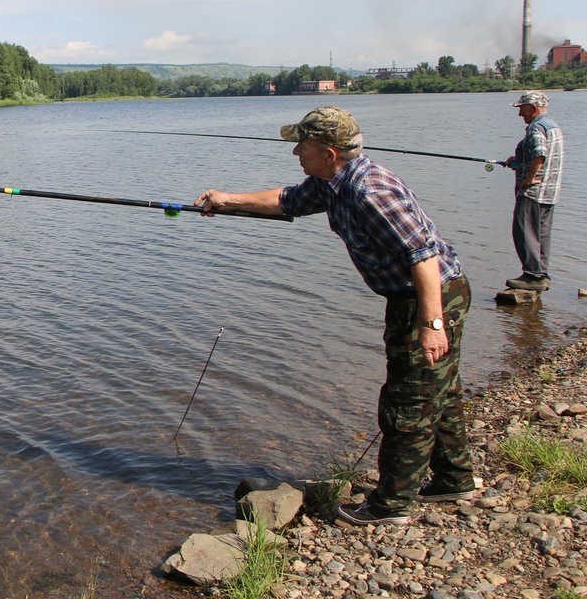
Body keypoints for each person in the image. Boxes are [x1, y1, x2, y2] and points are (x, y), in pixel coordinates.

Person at [193, 107, 474, 527]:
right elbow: (287, 200)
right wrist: (226, 200)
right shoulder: (331, 183)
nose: (295, 152)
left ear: (328, 152)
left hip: (429, 296)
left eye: (302, 146)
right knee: (438, 387)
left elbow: (424, 255)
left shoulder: (370, 190)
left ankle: (391, 505)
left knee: (409, 399)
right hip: (410, 297)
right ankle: (454, 478)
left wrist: (432, 324)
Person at [505, 91, 564, 292]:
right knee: (541, 234)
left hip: (533, 192)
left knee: (523, 230)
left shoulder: (536, 128)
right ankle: (541, 273)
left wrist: (527, 180)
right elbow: (539, 155)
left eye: (522, 108)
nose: (520, 113)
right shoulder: (553, 126)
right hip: (550, 191)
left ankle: (532, 274)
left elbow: (540, 155)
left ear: (533, 107)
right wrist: (518, 160)